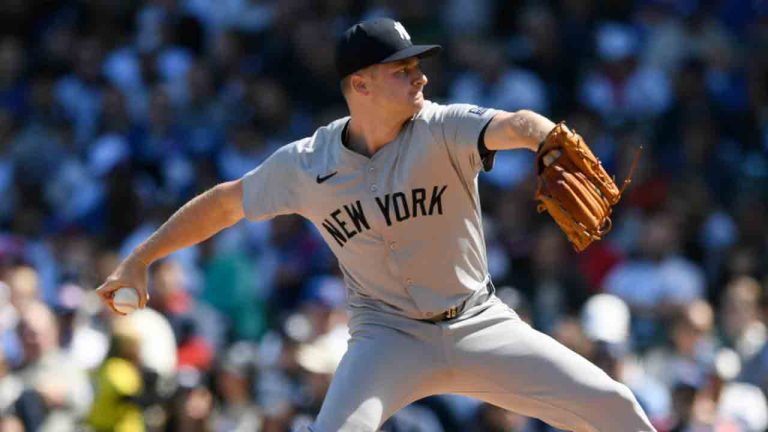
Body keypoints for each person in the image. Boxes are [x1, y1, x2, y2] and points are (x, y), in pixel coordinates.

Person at [97, 18, 656, 431]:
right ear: (360, 86)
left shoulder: (442, 127)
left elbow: (516, 122)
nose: (420, 77)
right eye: (403, 69)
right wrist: (139, 259)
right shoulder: (306, 163)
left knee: (617, 409)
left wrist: (543, 139)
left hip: (479, 322)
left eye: (417, 65)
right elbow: (223, 203)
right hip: (387, 338)